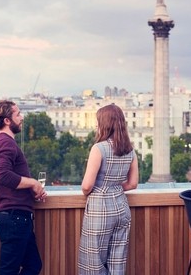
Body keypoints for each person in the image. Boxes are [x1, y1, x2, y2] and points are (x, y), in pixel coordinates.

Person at [78, 104, 139, 275]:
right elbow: (133, 183)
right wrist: (114, 188)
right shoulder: (130, 150)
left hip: (100, 208)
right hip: (121, 207)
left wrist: (97, 191)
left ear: (104, 123)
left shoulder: (99, 148)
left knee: (94, 262)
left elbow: (87, 185)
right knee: (117, 263)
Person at [0, 100, 47, 275]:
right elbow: (2, 175)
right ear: (7, 120)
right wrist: (33, 183)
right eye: (18, 114)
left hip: (17, 216)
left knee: (33, 265)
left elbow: (7, 177)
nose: (22, 118)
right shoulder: (6, 143)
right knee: (9, 271)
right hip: (14, 217)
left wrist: (31, 191)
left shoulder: (3, 142)